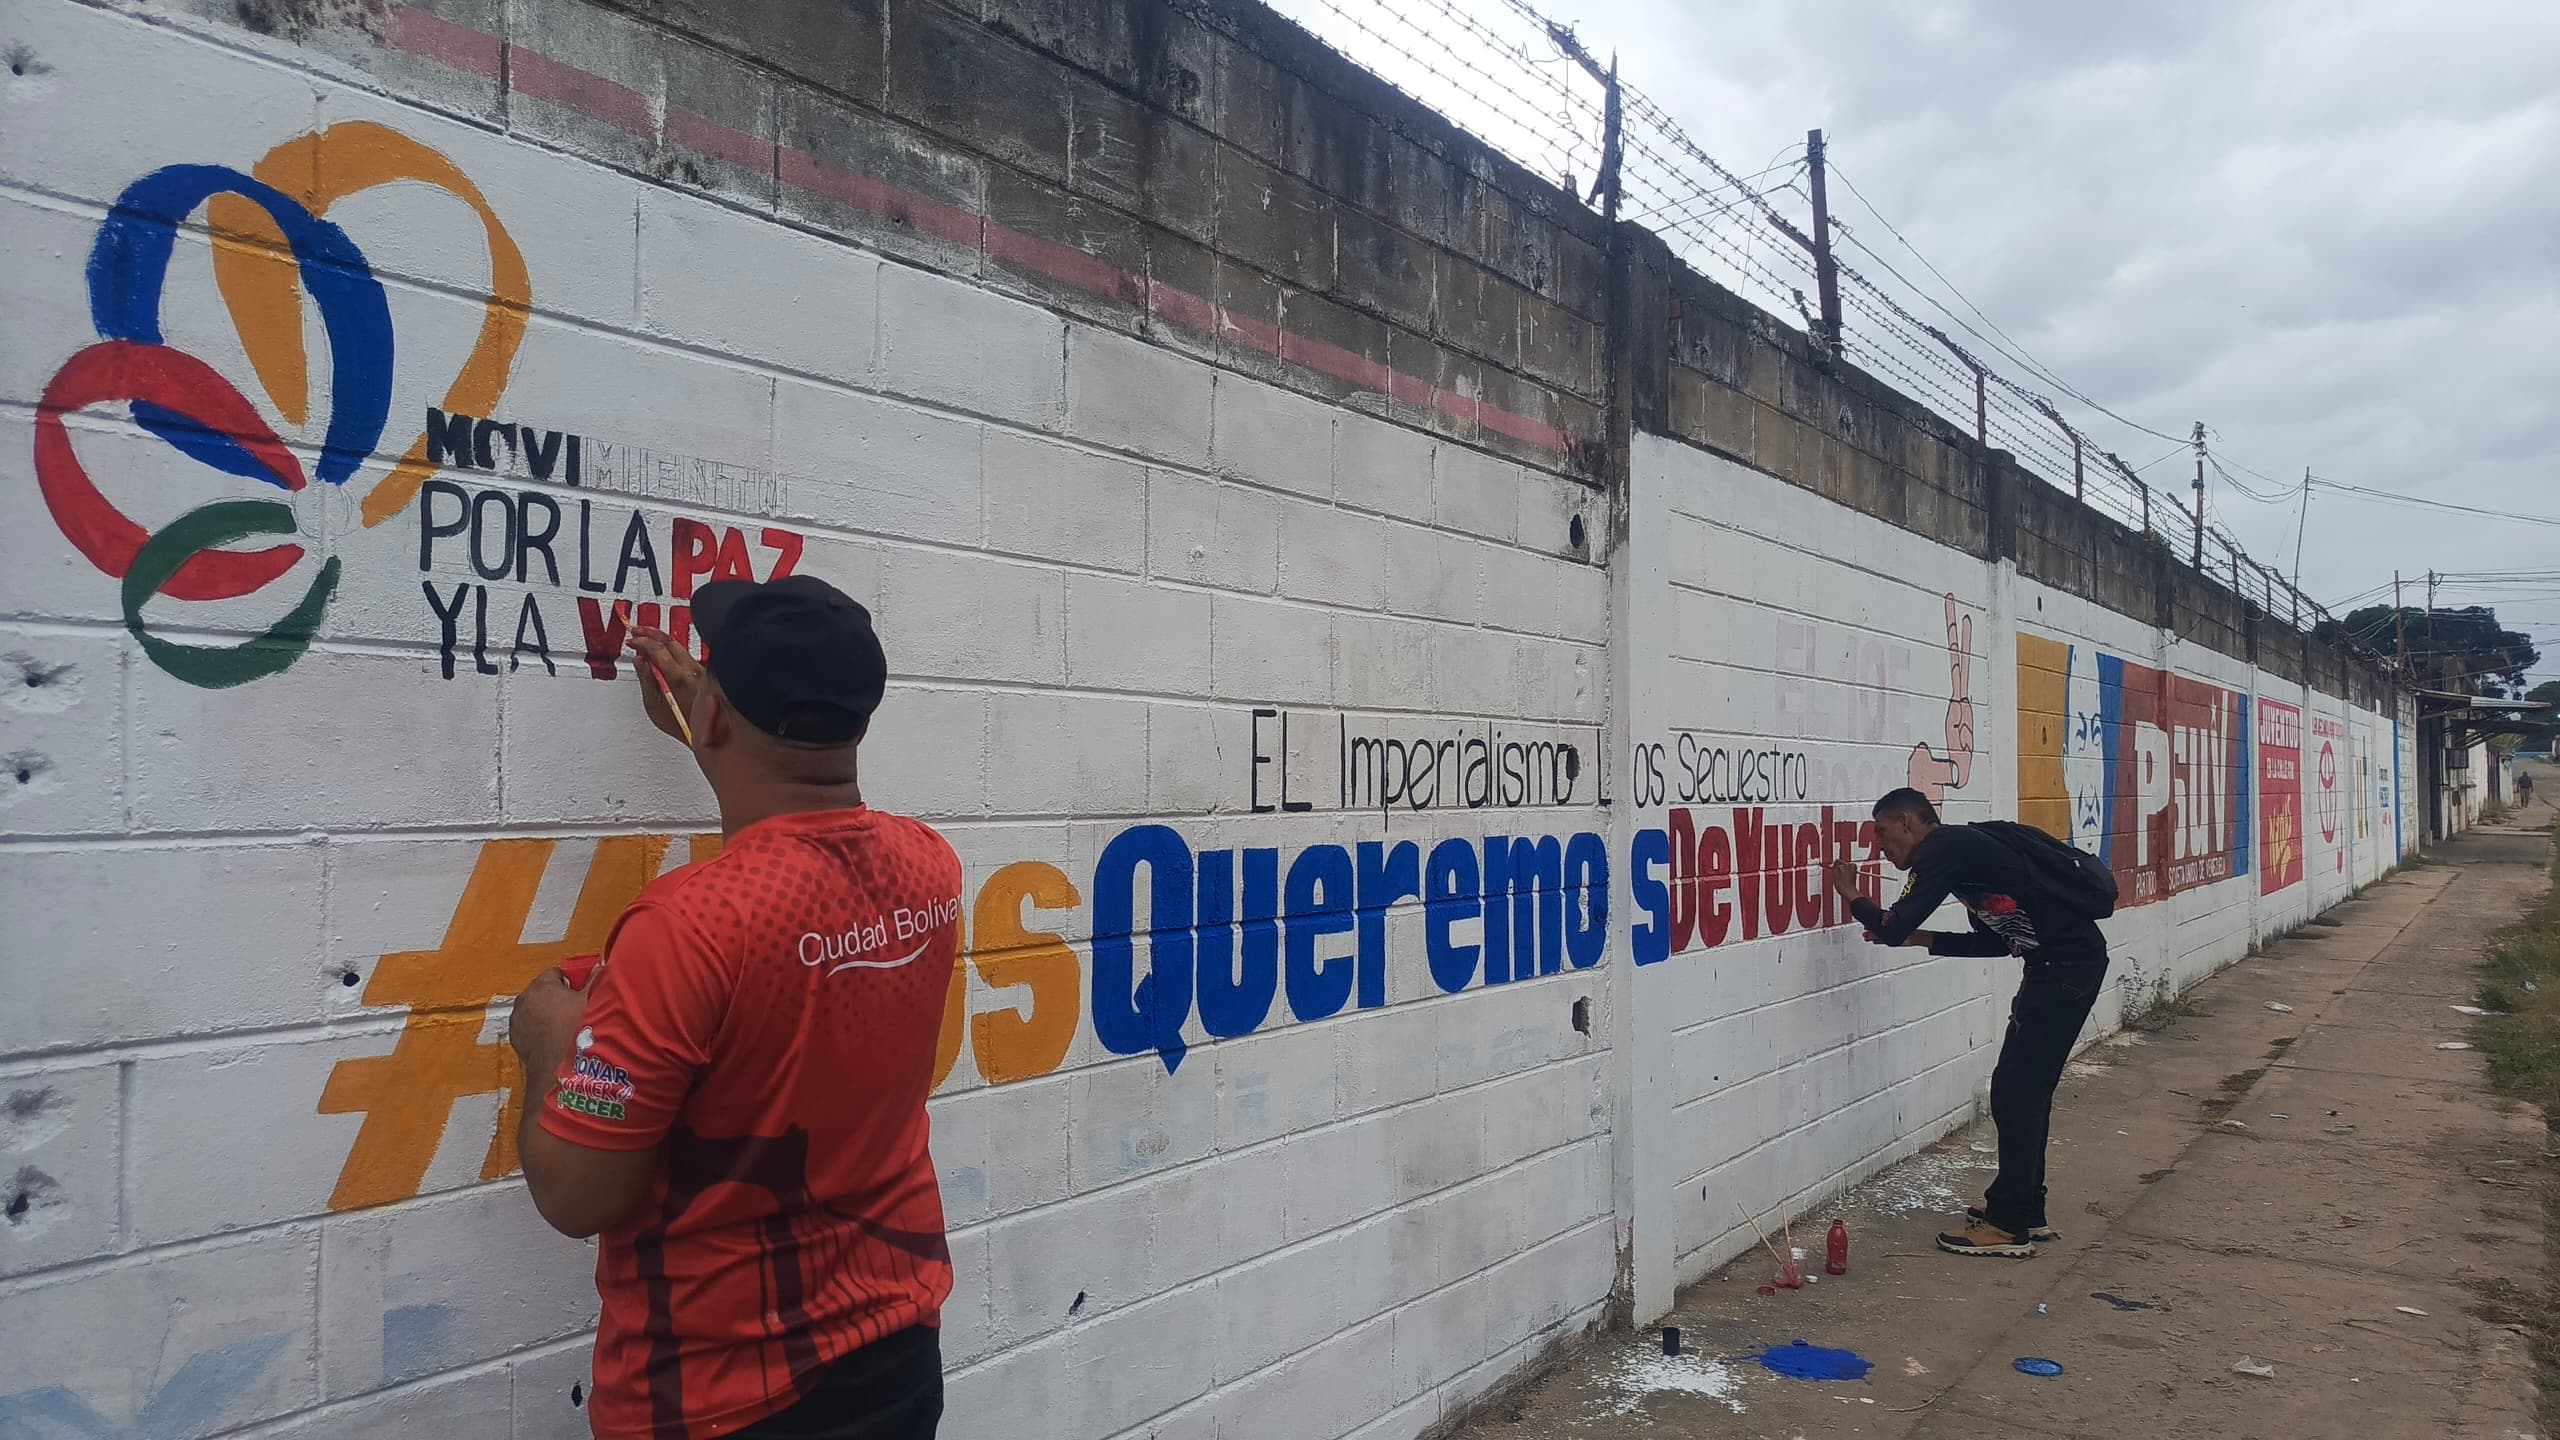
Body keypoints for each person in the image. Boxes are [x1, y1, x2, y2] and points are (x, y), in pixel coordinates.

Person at [508, 575, 961, 1440]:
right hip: (894, 1357)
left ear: (715, 715)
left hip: (719, 1402)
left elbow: (576, 1196)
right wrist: (714, 733)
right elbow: (800, 853)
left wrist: (549, 1048)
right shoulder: (929, 867)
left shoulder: (686, 927)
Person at [1824, 789, 2112, 1258]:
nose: (1879, 845)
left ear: (1908, 822)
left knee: (2016, 1092)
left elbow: (1892, 923)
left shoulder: (1944, 849)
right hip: (2055, 968)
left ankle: (2007, 1225)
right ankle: (2026, 1211)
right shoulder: (1966, 861)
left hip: (2064, 969)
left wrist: (1853, 896)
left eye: (1882, 831)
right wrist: (1921, 939)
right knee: (2024, 1090)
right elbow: (1997, 943)